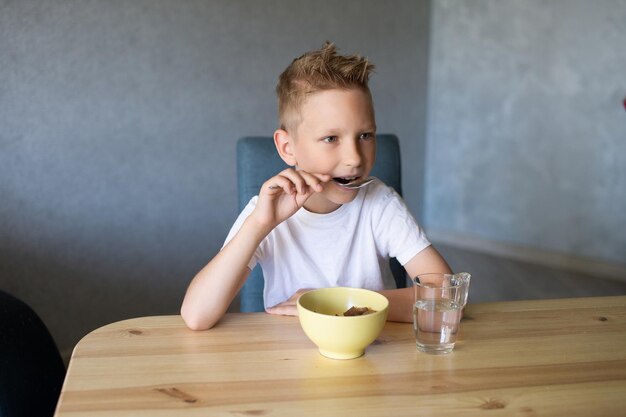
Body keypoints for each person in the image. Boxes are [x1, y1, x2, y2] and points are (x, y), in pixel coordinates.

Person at [181, 42, 451, 330]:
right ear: (287, 147)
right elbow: (197, 316)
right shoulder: (263, 213)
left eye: (365, 135)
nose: (354, 158)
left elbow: (446, 299)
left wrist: (337, 303)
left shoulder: (380, 203)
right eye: (331, 138)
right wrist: (259, 224)